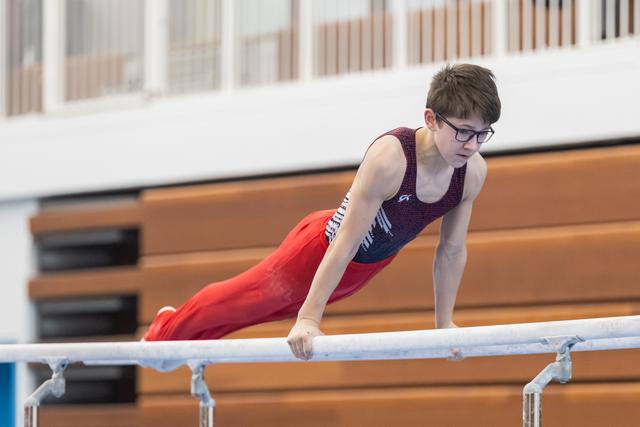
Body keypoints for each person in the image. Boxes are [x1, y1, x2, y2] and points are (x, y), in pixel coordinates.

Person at [143, 63, 501, 365]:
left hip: (362, 270)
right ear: (431, 119)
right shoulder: (391, 159)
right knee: (241, 302)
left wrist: (444, 326)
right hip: (318, 252)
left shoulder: (472, 173)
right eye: (463, 132)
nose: (471, 145)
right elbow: (345, 241)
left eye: (482, 134)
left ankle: (181, 345)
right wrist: (310, 318)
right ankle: (165, 333)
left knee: (261, 314)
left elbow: (451, 251)